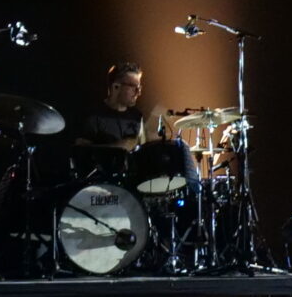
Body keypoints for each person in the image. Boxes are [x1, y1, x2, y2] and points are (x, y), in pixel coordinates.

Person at [73, 62, 200, 252]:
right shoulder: (94, 115)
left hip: (132, 181)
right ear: (116, 87)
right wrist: (118, 147)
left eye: (140, 87)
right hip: (101, 183)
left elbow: (140, 147)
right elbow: (79, 151)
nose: (138, 92)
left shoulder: (136, 116)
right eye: (134, 87)